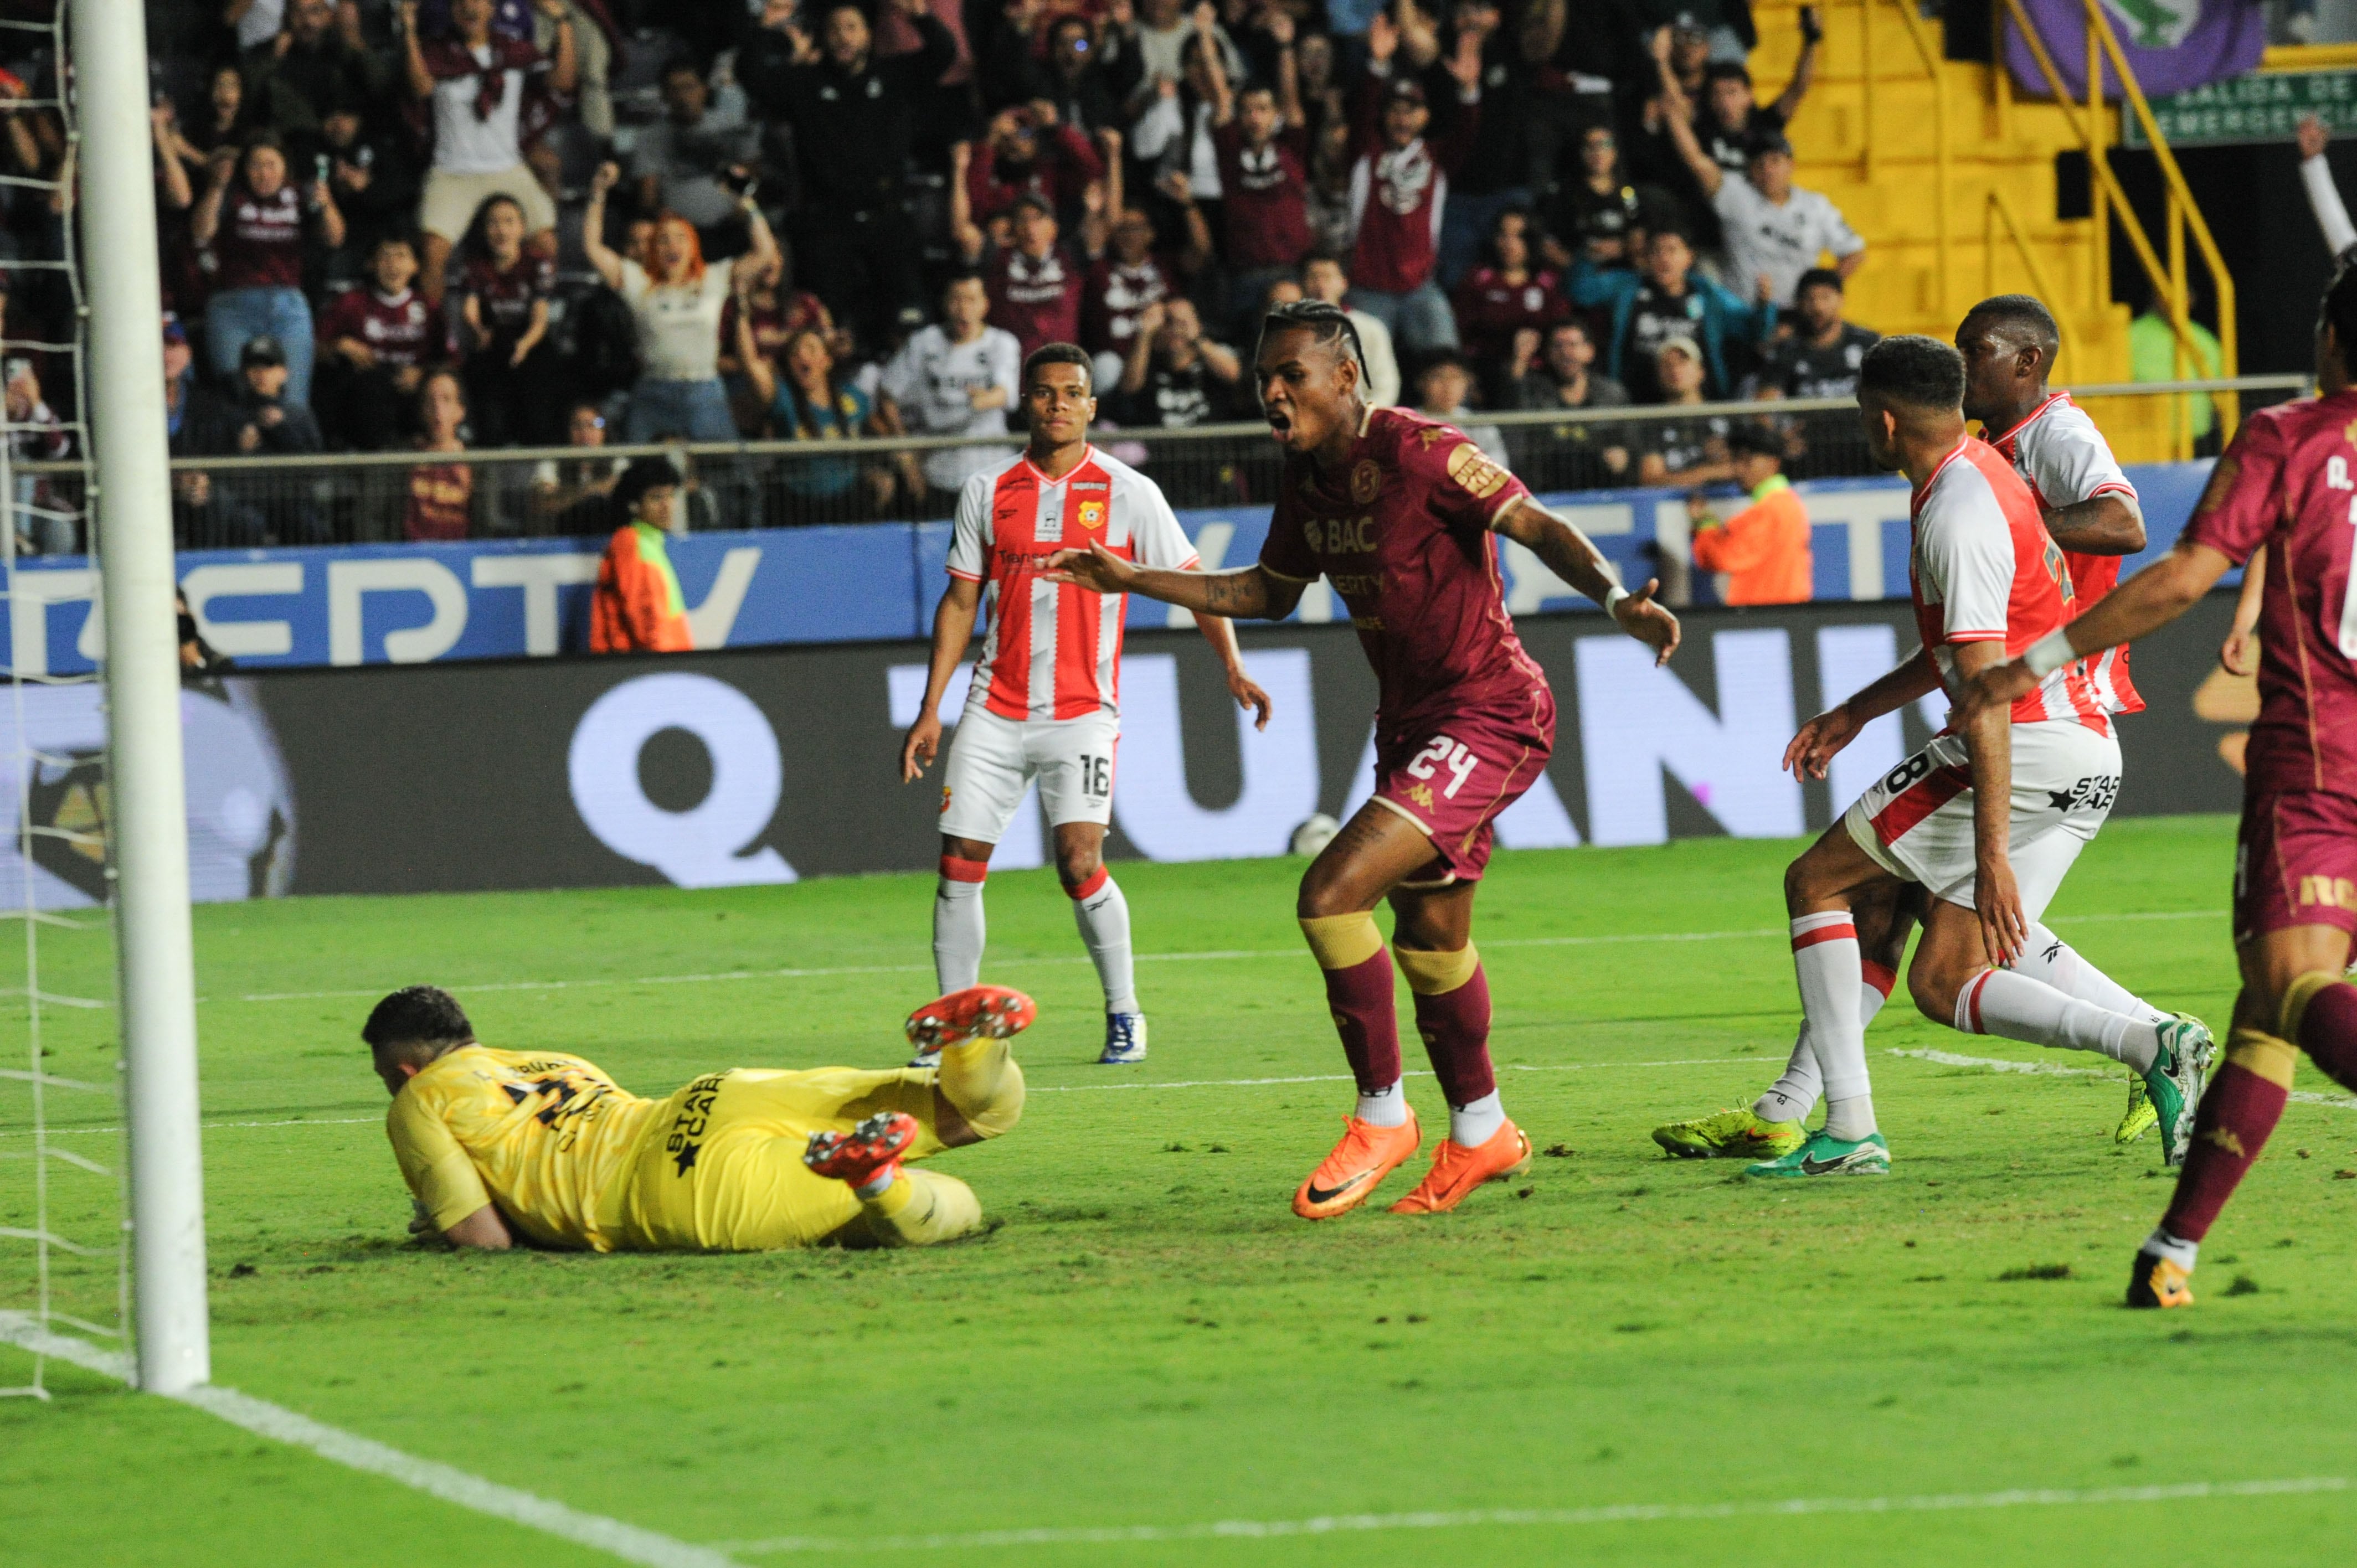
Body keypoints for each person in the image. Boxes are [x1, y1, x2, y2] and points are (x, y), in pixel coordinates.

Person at [1044, 301, 1681, 1216]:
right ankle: (1483, 1130)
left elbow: (1532, 524)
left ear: (1344, 377)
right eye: (1264, 375)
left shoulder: (1423, 450)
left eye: (1290, 375)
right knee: (1432, 942)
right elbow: (1265, 589)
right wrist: (1131, 576)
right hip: (1412, 726)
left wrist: (1618, 600)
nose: (1270, 391)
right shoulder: (1307, 477)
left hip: (1489, 710)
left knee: (1331, 892)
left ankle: (1383, 1113)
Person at [1651, 337, 2207, 1179]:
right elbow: (1964, 642)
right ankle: (2152, 1042)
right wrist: (1856, 712)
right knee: (1946, 978)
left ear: (1882, 421)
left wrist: (1989, 857)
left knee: (1818, 880)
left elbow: (1981, 690)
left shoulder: (1957, 510)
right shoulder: (1981, 474)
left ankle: (1850, 1129)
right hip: (2082, 748)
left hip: (2023, 740)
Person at [1957, 262, 2357, 1308]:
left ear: (2330, 338)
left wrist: (2030, 663)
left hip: (2323, 768)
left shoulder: (2287, 434)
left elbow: (2178, 573)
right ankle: (2170, 1250)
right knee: (2266, 1013)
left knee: (2298, 986)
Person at [899, 343, 1270, 1064]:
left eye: (1073, 392)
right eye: (1045, 392)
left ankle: (1124, 1012)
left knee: (1078, 862)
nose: (1058, 403)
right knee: (959, 860)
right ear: (1026, 402)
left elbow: (1194, 582)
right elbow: (959, 601)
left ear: (1092, 407)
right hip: (993, 710)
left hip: (1082, 714)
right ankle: (953, 1026)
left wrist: (1232, 665)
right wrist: (929, 709)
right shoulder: (987, 489)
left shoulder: (1130, 491)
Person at [373, 982, 1027, 1252]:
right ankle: (975, 1046)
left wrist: (441, 1227)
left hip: (672, 1186)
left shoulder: (418, 1100)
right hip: (716, 1097)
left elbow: (486, 1242)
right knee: (972, 1114)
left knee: (945, 1204)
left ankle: (878, 1176)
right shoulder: (548, 1060)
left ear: (403, 1070)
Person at [761, 0, 956, 343]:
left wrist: (920, 16)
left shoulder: (893, 76)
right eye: (835, 29)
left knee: (906, 323)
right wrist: (766, 31)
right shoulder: (804, 83)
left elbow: (943, 53)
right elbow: (754, 79)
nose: (843, 37)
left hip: (888, 220)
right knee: (825, 328)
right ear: (823, 37)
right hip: (826, 225)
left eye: (852, 27)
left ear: (868, 34)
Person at [582, 159, 781, 443]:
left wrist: (746, 200)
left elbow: (764, 253)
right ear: (654, 249)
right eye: (663, 240)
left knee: (723, 469)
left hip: (703, 389)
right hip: (654, 390)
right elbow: (592, 249)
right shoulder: (640, 282)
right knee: (638, 466)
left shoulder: (714, 278)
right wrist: (598, 193)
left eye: (680, 239)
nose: (672, 246)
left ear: (693, 247)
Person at [400, 0, 577, 307]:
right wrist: (409, 30)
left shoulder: (512, 52)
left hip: (507, 168)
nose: (470, 8)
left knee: (546, 244)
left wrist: (562, 22)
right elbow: (420, 88)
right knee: (431, 253)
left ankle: (537, 326)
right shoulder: (436, 53)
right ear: (452, 11)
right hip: (452, 172)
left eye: (478, 2)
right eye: (461, 4)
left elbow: (562, 82)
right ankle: (435, 339)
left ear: (492, 9)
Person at [1657, 54, 1863, 313]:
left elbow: (1854, 252)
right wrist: (1672, 113)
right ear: (1750, 171)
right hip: (1740, 315)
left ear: (1791, 165)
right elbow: (1696, 161)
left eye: (1775, 161)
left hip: (1794, 317)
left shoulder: (1816, 206)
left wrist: (1818, 293)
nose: (1768, 170)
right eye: (1760, 164)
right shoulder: (1736, 194)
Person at [1343, 24, 1483, 355]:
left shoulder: (1437, 158)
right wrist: (1376, 67)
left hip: (1421, 287)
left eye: (1412, 110)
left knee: (1446, 364)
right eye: (1395, 110)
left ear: (1426, 117)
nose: (1402, 119)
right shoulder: (1365, 154)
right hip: (1367, 288)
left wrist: (1468, 91)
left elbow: (1467, 132)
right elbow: (1362, 114)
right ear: (1384, 115)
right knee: (1358, 376)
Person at [192, 132, 345, 407]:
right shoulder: (233, 195)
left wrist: (328, 204)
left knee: (294, 402)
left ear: (285, 167)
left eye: (271, 164)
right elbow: (201, 233)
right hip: (233, 307)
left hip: (288, 307)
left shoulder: (299, 194)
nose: (264, 173)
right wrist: (217, 187)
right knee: (234, 399)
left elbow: (335, 238)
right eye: (256, 165)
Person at [1571, 226, 1771, 404]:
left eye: (1672, 250)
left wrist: (1764, 307)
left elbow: (1755, 331)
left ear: (1689, 257)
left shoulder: (1708, 295)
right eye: (1656, 251)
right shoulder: (1626, 287)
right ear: (1647, 259)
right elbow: (1580, 293)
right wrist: (1589, 257)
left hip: (1697, 402)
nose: (1664, 258)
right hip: (1634, 401)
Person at [878, 273, 1023, 504]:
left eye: (971, 300)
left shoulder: (1002, 343)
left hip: (990, 474)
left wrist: (983, 400)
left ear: (985, 305)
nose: (963, 309)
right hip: (937, 473)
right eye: (957, 300)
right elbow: (886, 394)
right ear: (945, 304)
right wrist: (906, 456)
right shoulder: (923, 343)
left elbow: (1005, 392)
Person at [316, 232, 439, 451]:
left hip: (413, 396)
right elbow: (314, 348)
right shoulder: (351, 303)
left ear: (415, 266)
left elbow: (449, 360)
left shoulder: (428, 308)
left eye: (401, 256)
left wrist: (423, 373)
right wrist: (340, 345)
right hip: (365, 399)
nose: (393, 265)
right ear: (371, 265)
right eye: (385, 257)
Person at [630, 58, 763, 257]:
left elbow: (750, 179)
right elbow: (648, 200)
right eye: (675, 90)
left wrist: (740, 213)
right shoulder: (651, 137)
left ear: (704, 89)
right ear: (665, 95)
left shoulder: (730, 126)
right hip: (678, 238)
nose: (683, 97)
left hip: (731, 230)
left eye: (689, 87)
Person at [456, 193, 556, 447]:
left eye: (509, 222)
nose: (501, 230)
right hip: (493, 340)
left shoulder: (538, 264)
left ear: (522, 228)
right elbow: (470, 311)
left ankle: (542, 459)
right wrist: (480, 332)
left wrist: (524, 345)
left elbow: (540, 317)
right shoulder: (475, 266)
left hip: (530, 342)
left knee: (540, 377)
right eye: (493, 223)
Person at [745, 324, 877, 507]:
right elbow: (751, 364)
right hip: (798, 505)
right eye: (795, 352)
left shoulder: (853, 398)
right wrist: (741, 314)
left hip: (848, 501)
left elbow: (878, 439)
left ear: (827, 361)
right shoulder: (784, 398)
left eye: (811, 349)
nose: (802, 355)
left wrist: (879, 471)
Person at [954, 187, 1088, 363]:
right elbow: (963, 232)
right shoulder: (996, 257)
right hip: (1007, 370)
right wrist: (959, 169)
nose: (1030, 227)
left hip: (1061, 369)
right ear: (1013, 228)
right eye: (1022, 219)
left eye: (1038, 218)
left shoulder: (1070, 256)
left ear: (1054, 227)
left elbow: (1108, 225)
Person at [1686, 422, 1810, 605]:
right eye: (1736, 460)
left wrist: (1704, 524)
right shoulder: (1786, 504)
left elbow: (1722, 558)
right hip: (1778, 617)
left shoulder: (1769, 511)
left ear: (1773, 463)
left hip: (1763, 620)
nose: (1739, 468)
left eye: (1747, 460)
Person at [589, 457, 695, 652]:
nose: (667, 505)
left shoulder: (650, 544)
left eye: (670, 496)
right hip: (652, 668)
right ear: (634, 505)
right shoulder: (631, 544)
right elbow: (645, 617)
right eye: (656, 498)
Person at [1080, 207, 1176, 395]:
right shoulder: (1100, 271)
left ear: (1150, 234)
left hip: (1160, 356)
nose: (1129, 236)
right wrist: (1092, 212)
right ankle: (1102, 420)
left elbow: (1201, 252)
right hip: (1116, 363)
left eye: (1135, 228)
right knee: (1106, 365)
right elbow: (1092, 243)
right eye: (1122, 229)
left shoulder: (1165, 267)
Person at [1113, 298, 1242, 428]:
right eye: (1168, 322)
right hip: (1163, 445)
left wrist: (1197, 338)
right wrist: (1145, 334)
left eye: (1183, 322)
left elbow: (1235, 375)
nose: (1175, 329)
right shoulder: (1147, 362)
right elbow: (1129, 388)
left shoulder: (1212, 357)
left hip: (1211, 444)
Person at [1302, 253, 1398, 407]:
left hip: (1363, 422)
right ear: (1303, 284)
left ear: (1344, 283)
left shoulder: (1371, 328)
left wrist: (1360, 419)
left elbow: (1386, 386)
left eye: (1327, 277)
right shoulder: (1289, 333)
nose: (1320, 285)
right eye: (1314, 277)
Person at [403, 368, 483, 541]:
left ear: (460, 411)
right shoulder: (404, 460)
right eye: (431, 402)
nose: (438, 410)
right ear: (423, 410)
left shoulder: (478, 465)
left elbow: (485, 525)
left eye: (446, 400)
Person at [1411, 350, 1505, 462]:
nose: (1448, 386)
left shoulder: (1480, 425)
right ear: (1420, 383)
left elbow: (1498, 469)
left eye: (1455, 378)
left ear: (1467, 383)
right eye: (1438, 377)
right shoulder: (1407, 423)